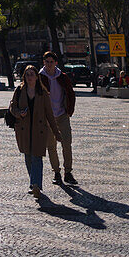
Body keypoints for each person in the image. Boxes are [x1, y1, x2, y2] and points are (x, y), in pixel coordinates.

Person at [10, 64, 62, 199]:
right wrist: (18, 113)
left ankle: (36, 185)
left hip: (39, 130)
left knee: (36, 157)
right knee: (28, 157)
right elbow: (12, 107)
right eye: (27, 75)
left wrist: (56, 132)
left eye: (32, 74)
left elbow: (49, 114)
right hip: (24, 129)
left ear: (36, 77)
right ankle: (33, 184)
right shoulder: (20, 90)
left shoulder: (42, 92)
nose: (29, 77)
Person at [39, 50, 77, 185]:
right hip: (48, 118)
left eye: (52, 62)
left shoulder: (62, 76)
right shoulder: (40, 77)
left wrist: (69, 110)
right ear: (44, 63)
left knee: (67, 143)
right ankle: (56, 172)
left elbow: (71, 94)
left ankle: (68, 172)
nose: (49, 65)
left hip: (62, 115)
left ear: (56, 63)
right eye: (47, 62)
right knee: (51, 146)